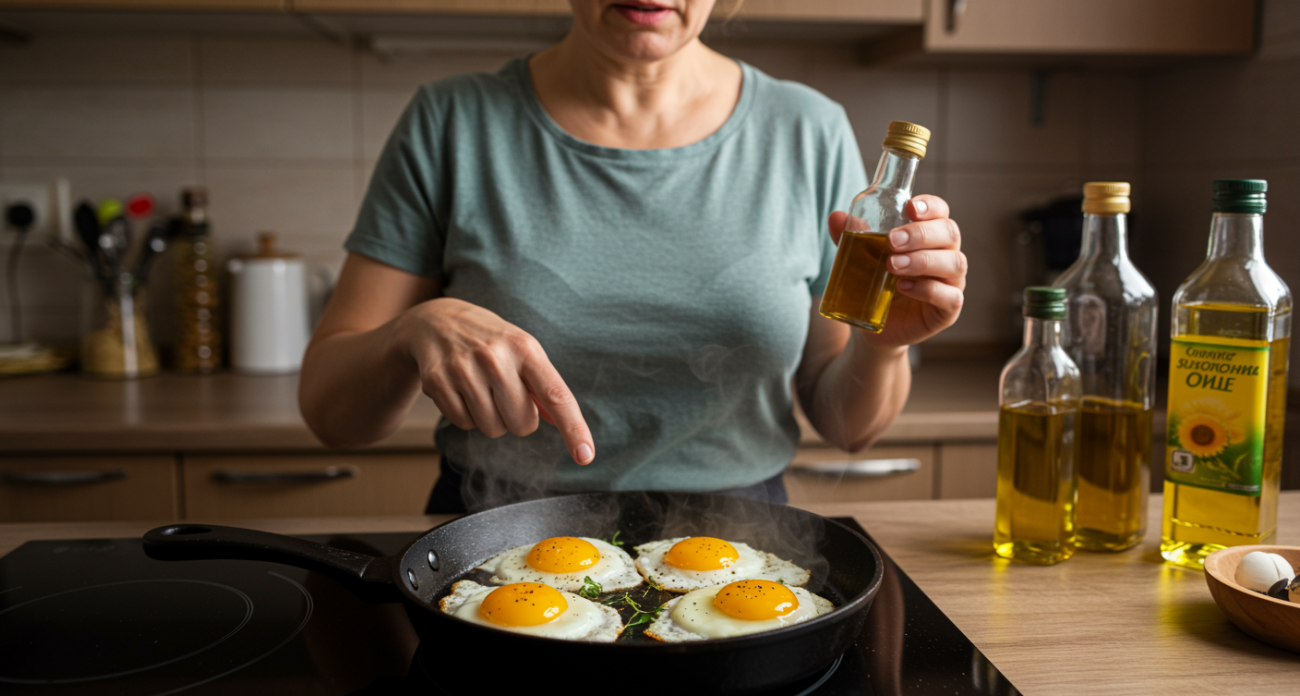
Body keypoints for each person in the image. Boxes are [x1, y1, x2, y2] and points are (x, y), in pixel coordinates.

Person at [298, 0, 968, 513]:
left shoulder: (809, 129)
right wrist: (410, 332)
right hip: (494, 531)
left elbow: (848, 428)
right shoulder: (450, 121)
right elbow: (331, 414)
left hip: (741, 547)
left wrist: (883, 346)